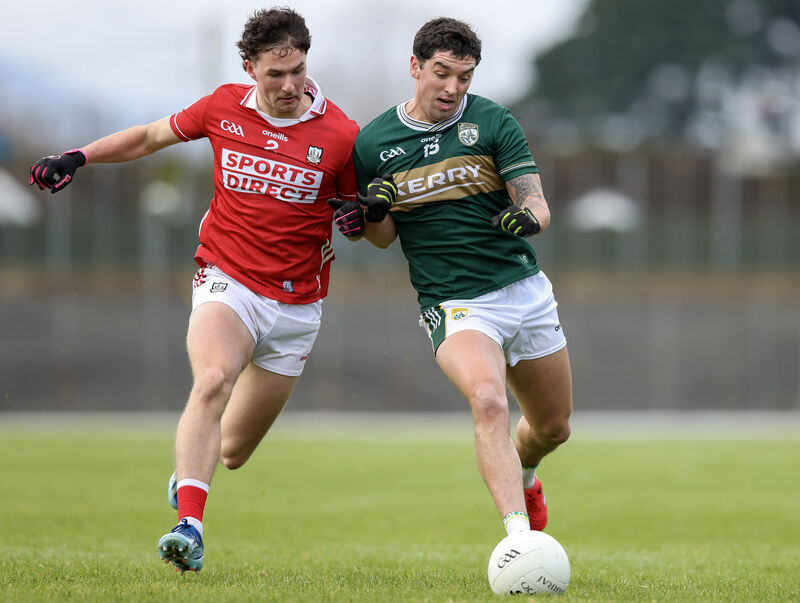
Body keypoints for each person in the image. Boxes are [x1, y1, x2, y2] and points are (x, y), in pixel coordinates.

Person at [29, 7, 359, 574]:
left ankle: (189, 475)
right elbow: (149, 137)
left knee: (231, 452)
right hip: (227, 279)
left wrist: (360, 220)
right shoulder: (222, 106)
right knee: (211, 382)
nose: (288, 85)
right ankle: (190, 527)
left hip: (298, 305)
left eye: (297, 71)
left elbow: (371, 225)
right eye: (274, 74)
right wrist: (79, 156)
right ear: (249, 68)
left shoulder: (343, 135)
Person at [340, 17, 572, 538]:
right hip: (454, 302)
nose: (452, 88)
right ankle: (519, 539)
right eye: (442, 73)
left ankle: (526, 475)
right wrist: (372, 214)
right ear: (415, 66)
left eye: (464, 77)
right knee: (488, 400)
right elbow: (380, 237)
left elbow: (537, 203)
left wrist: (527, 219)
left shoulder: (492, 121)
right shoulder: (374, 142)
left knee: (553, 427)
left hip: (524, 290)